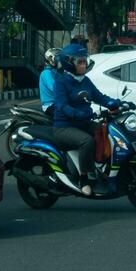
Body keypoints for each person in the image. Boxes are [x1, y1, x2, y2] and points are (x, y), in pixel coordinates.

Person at [49, 43, 120, 194]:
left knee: (107, 132)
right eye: (79, 62)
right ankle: (84, 180)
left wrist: (116, 103)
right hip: (64, 127)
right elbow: (62, 106)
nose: (83, 65)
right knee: (87, 141)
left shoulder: (85, 80)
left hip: (83, 123)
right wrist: (78, 114)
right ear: (69, 63)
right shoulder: (61, 82)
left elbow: (99, 97)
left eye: (84, 61)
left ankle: (104, 171)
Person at [38, 47, 60, 113]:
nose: (60, 61)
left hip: (57, 103)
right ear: (51, 60)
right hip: (50, 105)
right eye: (58, 58)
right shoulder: (46, 73)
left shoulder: (55, 72)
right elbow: (54, 88)